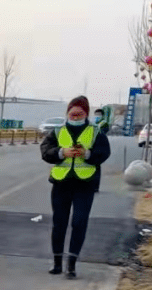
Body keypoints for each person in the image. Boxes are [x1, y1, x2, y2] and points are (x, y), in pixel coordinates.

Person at [40, 96, 111, 279]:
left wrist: (87, 154)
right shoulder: (57, 131)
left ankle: (71, 264)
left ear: (86, 113)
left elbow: (104, 152)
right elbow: (45, 151)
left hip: (84, 184)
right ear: (68, 113)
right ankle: (57, 262)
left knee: (79, 222)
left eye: (80, 113)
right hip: (61, 183)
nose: (76, 115)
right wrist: (61, 152)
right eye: (73, 112)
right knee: (59, 223)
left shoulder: (95, 132)